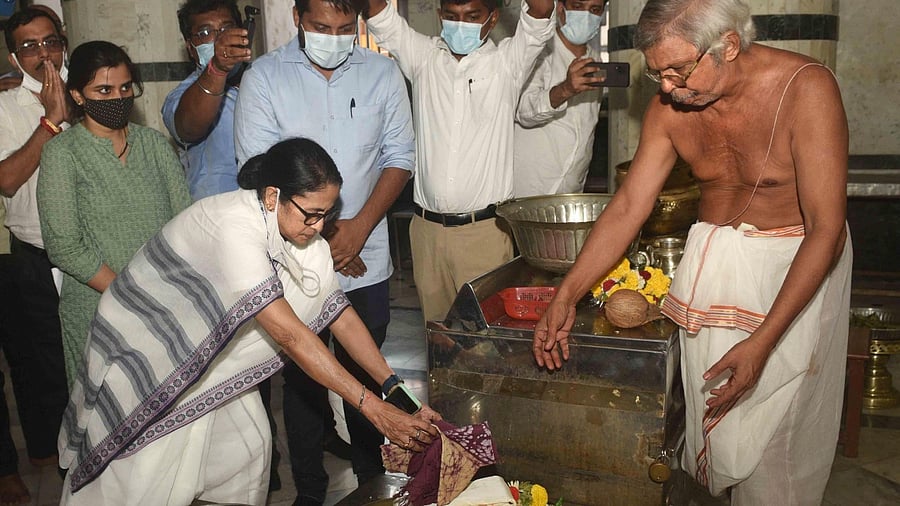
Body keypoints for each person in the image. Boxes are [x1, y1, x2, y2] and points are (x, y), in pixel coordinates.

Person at [532, 1, 851, 504]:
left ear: (728, 45)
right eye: (657, 73)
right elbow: (629, 206)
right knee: (715, 431)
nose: (666, 88)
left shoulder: (805, 89)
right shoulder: (670, 106)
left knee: (777, 448)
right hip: (715, 274)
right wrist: (566, 295)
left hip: (796, 269)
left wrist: (763, 343)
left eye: (678, 70)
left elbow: (826, 230)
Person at [57, 137, 440, 506]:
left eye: (327, 214)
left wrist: (394, 390)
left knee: (247, 452)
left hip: (212, 363)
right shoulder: (233, 227)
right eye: (312, 214)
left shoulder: (304, 238)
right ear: (273, 196)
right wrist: (372, 408)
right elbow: (290, 335)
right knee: (144, 477)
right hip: (153, 355)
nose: (319, 227)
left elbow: (340, 315)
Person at [234, 0, 415, 500]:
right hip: (293, 257)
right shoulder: (264, 78)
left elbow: (400, 157)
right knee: (303, 381)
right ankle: (311, 491)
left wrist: (360, 228)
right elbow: (257, 169)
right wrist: (333, 235)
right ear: (297, 18)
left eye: (344, 28)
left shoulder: (383, 74)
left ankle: (372, 483)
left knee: (364, 369)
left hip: (365, 255)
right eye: (320, 26)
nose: (333, 37)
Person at [361, 0, 555, 323]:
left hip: (485, 235)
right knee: (439, 340)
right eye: (452, 16)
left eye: (472, 16)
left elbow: (542, 9)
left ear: (492, 19)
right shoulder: (423, 57)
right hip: (427, 235)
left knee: (487, 341)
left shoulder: (508, 62)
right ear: (440, 16)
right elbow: (379, 15)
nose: (460, 24)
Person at [37, 40, 192, 386]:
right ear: (78, 95)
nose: (118, 98)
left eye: (125, 88)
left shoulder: (154, 145)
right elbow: (64, 246)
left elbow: (184, 224)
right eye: (104, 91)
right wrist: (129, 294)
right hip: (96, 309)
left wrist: (164, 292)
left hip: (164, 302)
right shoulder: (63, 153)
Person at [0, 5, 71, 474]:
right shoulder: (5, 107)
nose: (43, 54)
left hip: (93, 251)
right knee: (47, 368)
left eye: (50, 42)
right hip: (35, 255)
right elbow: (7, 180)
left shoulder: (90, 88)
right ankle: (65, 465)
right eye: (29, 46)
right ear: (14, 57)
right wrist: (51, 121)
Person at [513, 0, 607, 197]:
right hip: (528, 187)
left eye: (595, 9)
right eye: (578, 6)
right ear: (561, 8)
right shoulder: (537, 51)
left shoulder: (596, 60)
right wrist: (565, 89)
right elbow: (523, 112)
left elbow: (586, 127)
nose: (586, 15)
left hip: (571, 188)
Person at [162, 0, 251, 201]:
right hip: (215, 213)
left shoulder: (264, 79)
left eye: (226, 28)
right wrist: (218, 68)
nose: (219, 39)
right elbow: (189, 128)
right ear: (190, 48)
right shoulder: (182, 96)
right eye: (205, 33)